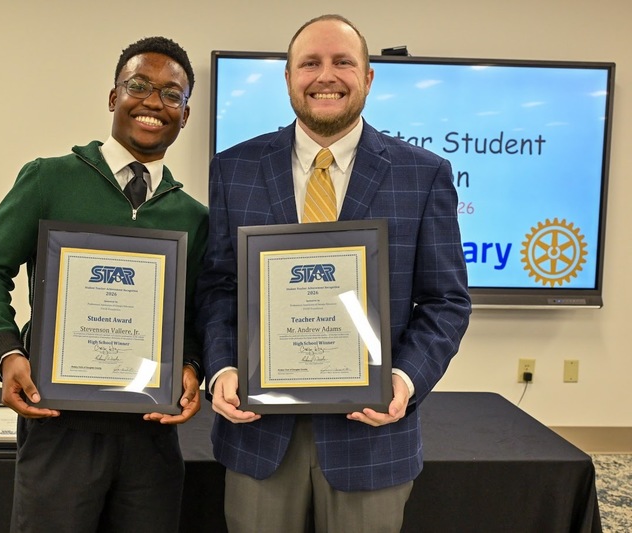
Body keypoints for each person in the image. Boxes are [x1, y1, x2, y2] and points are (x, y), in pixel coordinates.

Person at [196, 14, 471, 533]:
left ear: (368, 77)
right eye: (310, 63)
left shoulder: (424, 173)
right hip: (259, 433)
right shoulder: (234, 167)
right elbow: (218, 287)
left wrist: (403, 379)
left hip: (371, 436)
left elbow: (446, 301)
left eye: (343, 62)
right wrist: (221, 368)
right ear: (288, 78)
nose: (326, 76)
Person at [0, 36, 208, 533]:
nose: (153, 102)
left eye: (171, 94)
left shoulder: (193, 217)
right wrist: (7, 353)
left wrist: (192, 364)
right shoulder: (48, 180)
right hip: (58, 425)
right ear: (114, 96)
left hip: (150, 434)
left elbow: (201, 311)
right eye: (139, 85)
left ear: (184, 114)